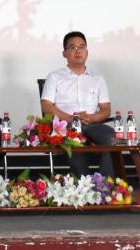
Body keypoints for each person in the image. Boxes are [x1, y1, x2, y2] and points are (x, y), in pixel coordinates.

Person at [40, 31, 116, 177]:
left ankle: (106, 184)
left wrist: (91, 117)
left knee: (110, 136)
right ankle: (83, 186)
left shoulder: (98, 79)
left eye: (82, 47)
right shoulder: (54, 77)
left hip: (91, 124)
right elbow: (46, 106)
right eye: (72, 47)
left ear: (87, 52)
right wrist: (71, 118)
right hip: (66, 126)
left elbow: (106, 109)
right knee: (74, 141)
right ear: (64, 53)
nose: (78, 51)